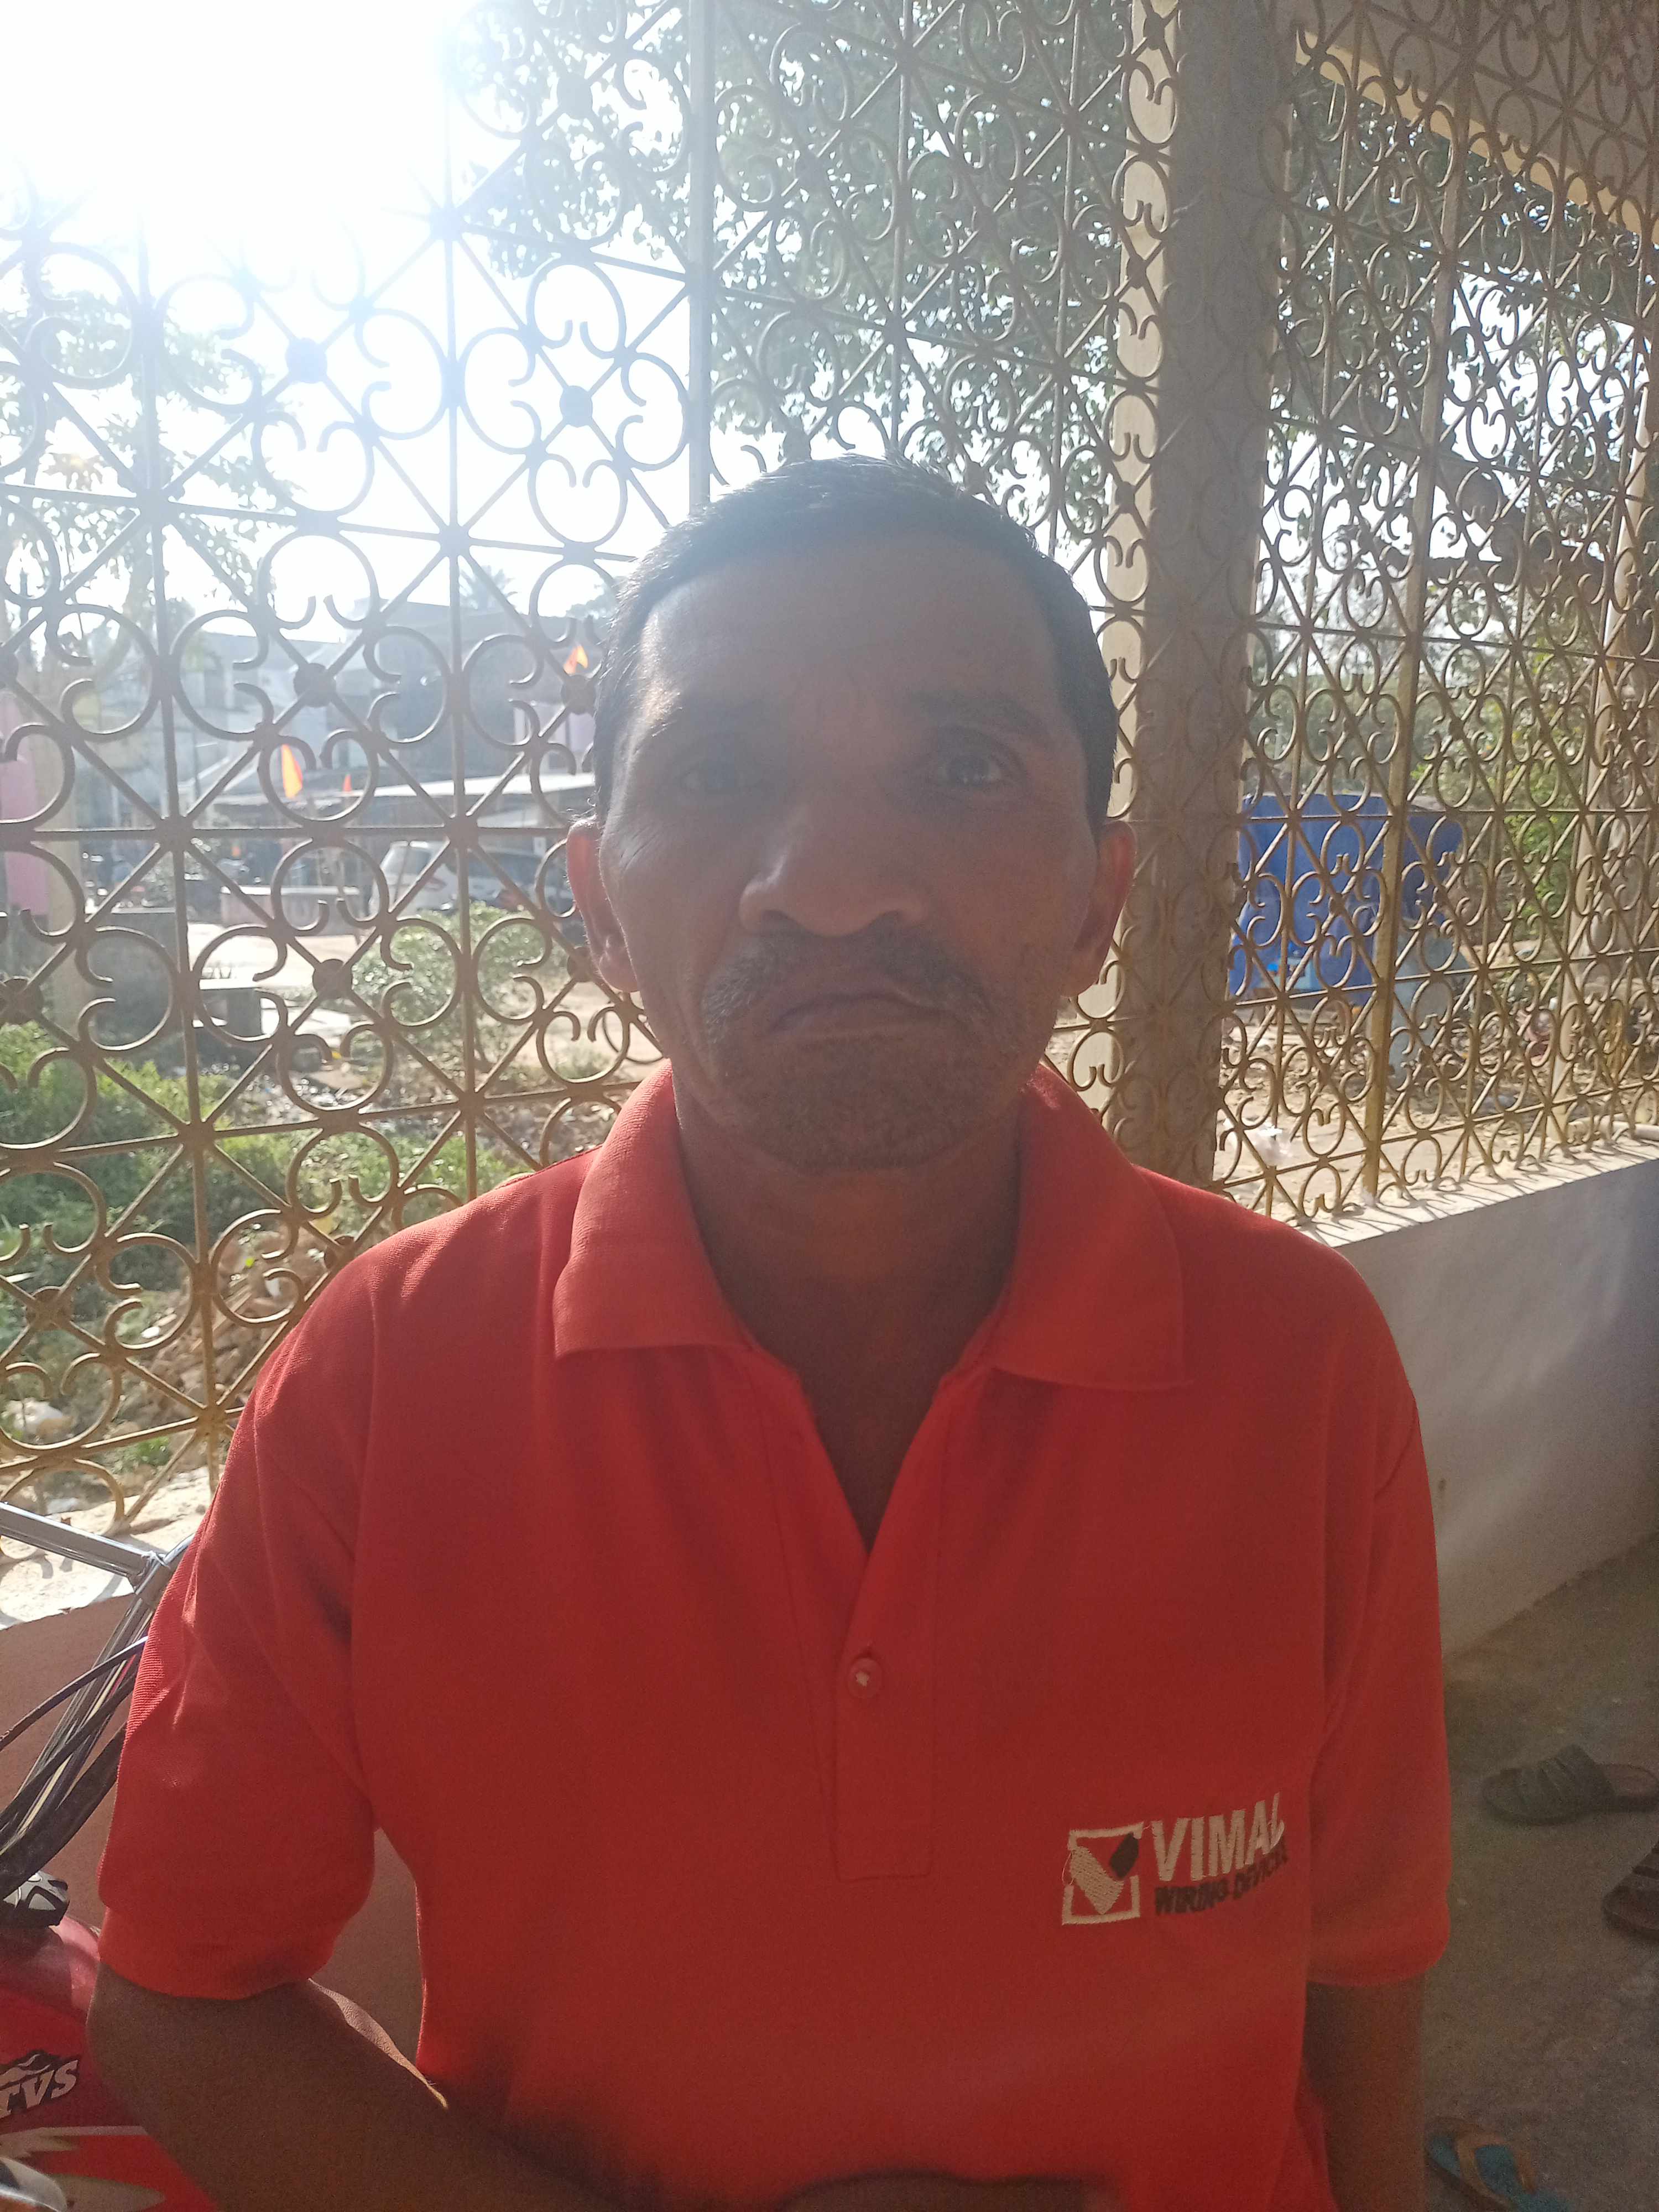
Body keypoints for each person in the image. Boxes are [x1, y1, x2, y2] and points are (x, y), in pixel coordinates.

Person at [88, 458, 1451, 2212]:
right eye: (721, 774)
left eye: (964, 770)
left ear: (1099, 901)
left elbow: (1364, 1949)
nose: (834, 885)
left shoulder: (1298, 1365)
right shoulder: (389, 1379)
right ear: (597, 903)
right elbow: (183, 2001)